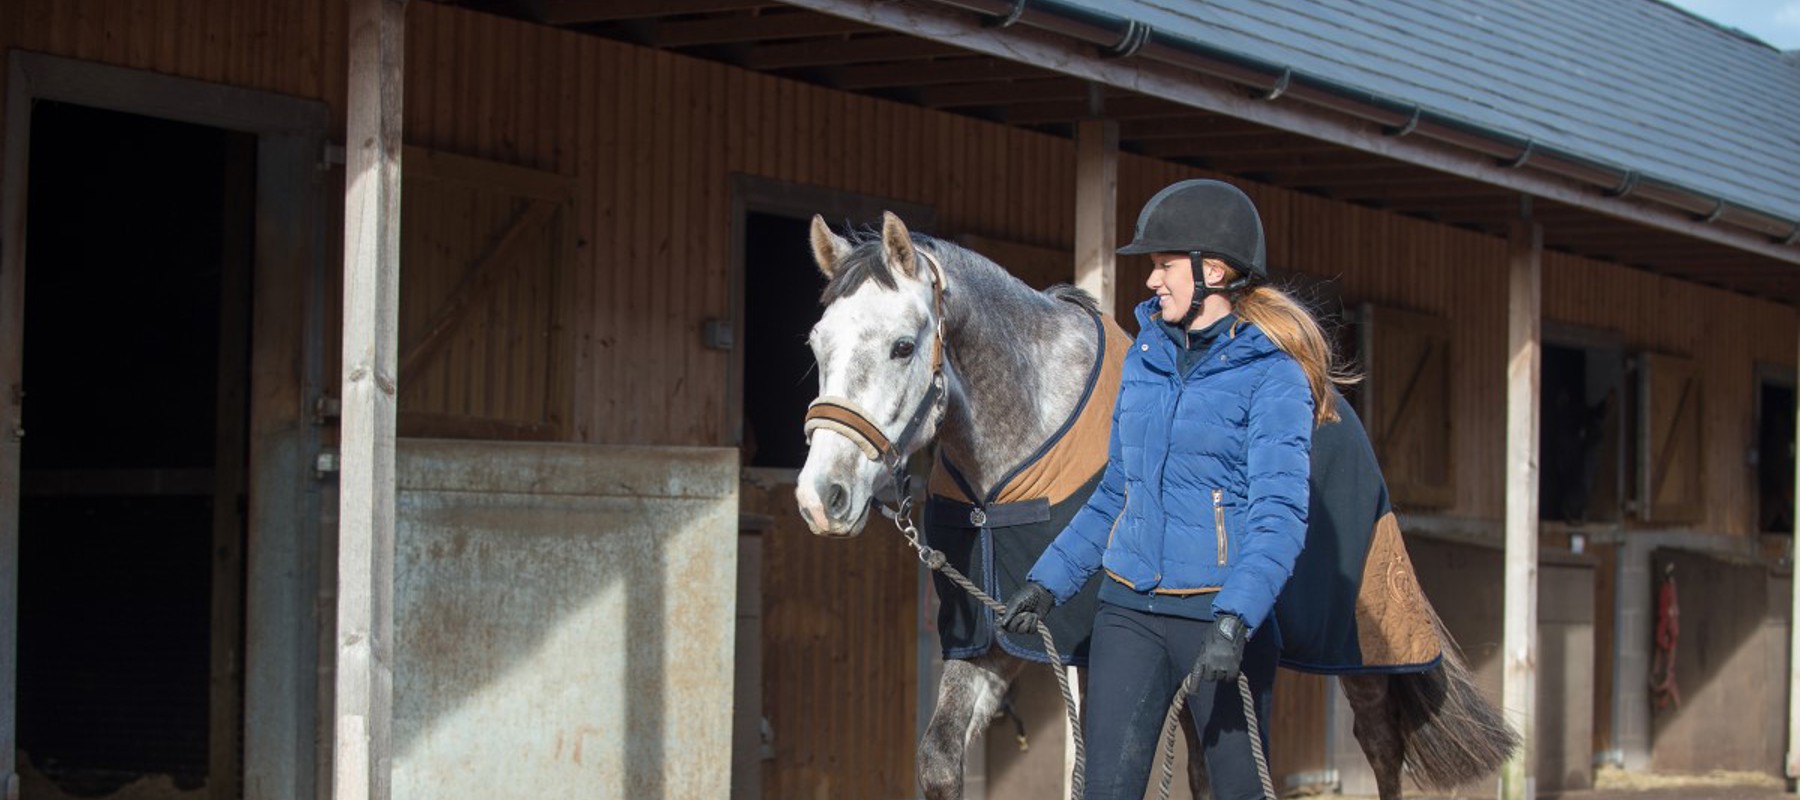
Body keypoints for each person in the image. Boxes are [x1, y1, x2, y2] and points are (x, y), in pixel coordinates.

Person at [1000, 179, 1352, 800]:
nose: (1151, 280)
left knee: (1235, 791)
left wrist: (1236, 619)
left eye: (1164, 265)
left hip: (1218, 618)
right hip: (1129, 609)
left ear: (1212, 270)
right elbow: (1117, 491)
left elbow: (1278, 516)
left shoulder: (1274, 378)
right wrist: (1047, 581)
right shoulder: (1146, 358)